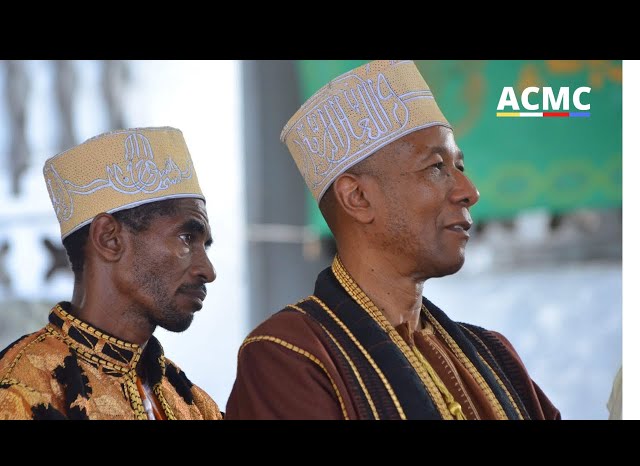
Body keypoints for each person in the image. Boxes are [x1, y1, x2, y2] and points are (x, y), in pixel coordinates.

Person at [225, 60, 560, 420]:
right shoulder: (289, 356)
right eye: (436, 168)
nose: (469, 191)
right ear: (358, 198)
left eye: (459, 167)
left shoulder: (495, 357)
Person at [0, 126, 222, 420]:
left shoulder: (191, 402)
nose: (208, 271)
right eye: (186, 239)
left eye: (205, 245)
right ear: (109, 238)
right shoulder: (20, 391)